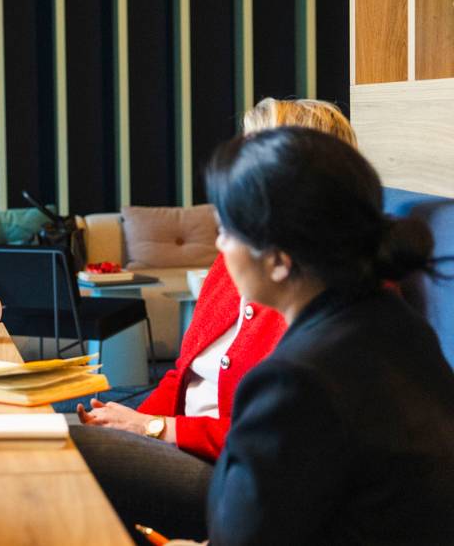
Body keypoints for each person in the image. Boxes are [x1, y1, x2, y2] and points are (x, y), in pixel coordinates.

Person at [71, 98, 358, 540]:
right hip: (186, 444)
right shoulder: (236, 258)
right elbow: (182, 377)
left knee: (76, 453)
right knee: (51, 435)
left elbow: (282, 442)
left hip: (239, 475)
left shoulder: (327, 289)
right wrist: (128, 426)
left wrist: (153, 429)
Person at [204, 127, 454, 543]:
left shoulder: (295, 380)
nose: (218, 243)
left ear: (280, 261)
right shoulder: (398, 323)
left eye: (226, 231)